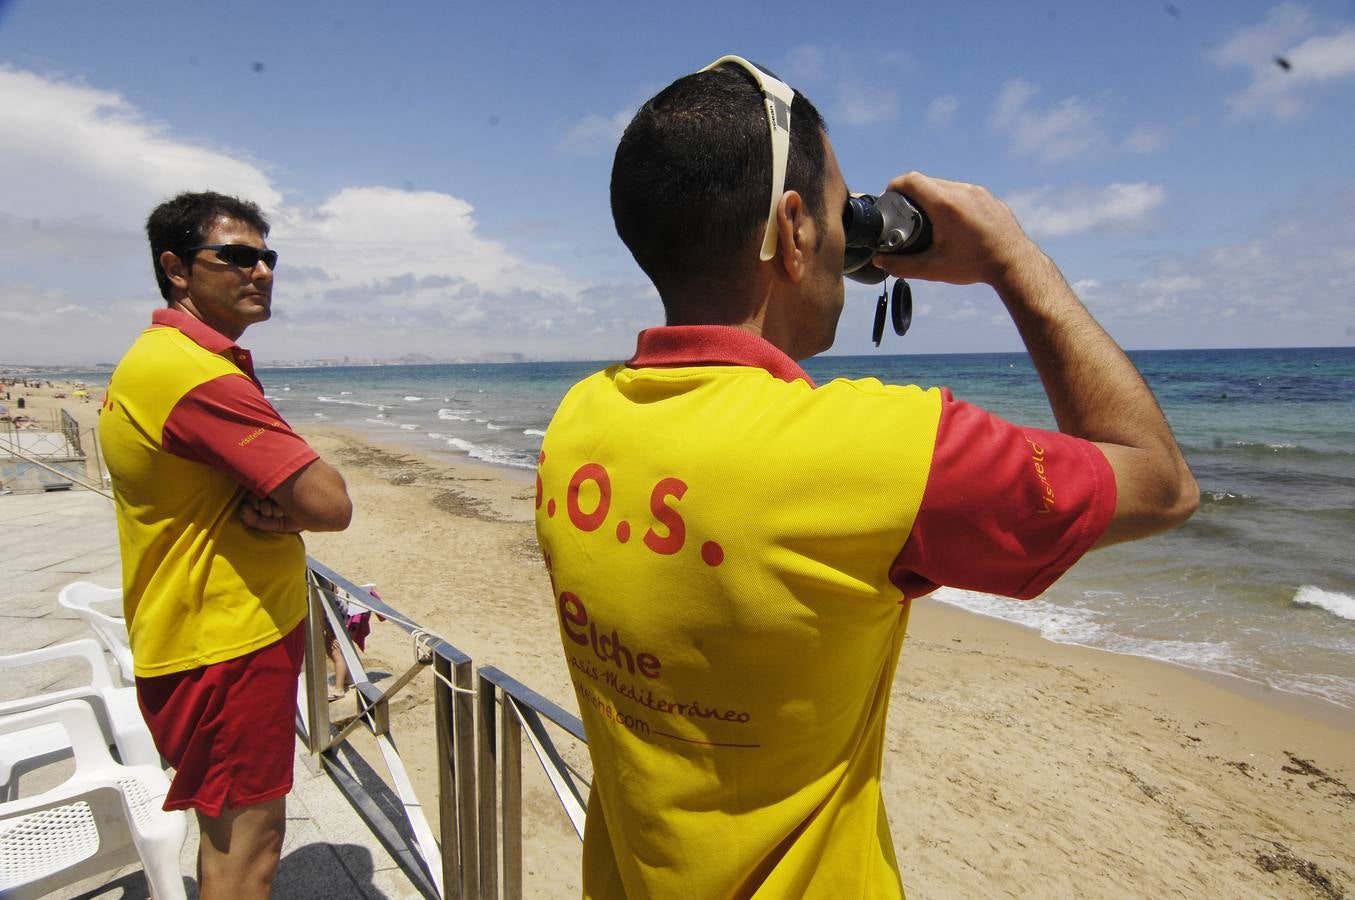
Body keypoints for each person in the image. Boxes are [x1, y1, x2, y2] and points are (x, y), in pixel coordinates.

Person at [533, 57, 1198, 899]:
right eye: (841, 212)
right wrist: (1010, 259)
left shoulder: (580, 418)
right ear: (795, 226)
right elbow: (1160, 483)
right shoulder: (877, 449)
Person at [100, 191, 353, 899]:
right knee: (249, 847)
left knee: (230, 835)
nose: (260, 271)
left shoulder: (161, 358)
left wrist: (283, 507)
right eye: (236, 257)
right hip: (223, 644)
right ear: (176, 269)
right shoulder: (193, 374)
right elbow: (330, 503)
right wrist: (295, 508)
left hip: (198, 633)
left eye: (267, 257)